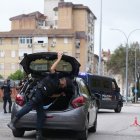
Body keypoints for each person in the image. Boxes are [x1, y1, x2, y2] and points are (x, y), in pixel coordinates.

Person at [7, 52, 73, 140]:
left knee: (41, 114)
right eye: (65, 83)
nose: (64, 85)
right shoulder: (55, 77)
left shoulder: (57, 86)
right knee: (28, 107)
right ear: (64, 82)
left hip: (41, 97)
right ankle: (12, 122)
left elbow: (51, 95)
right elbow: (52, 68)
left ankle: (39, 135)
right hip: (37, 93)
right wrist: (59, 59)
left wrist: (60, 94)